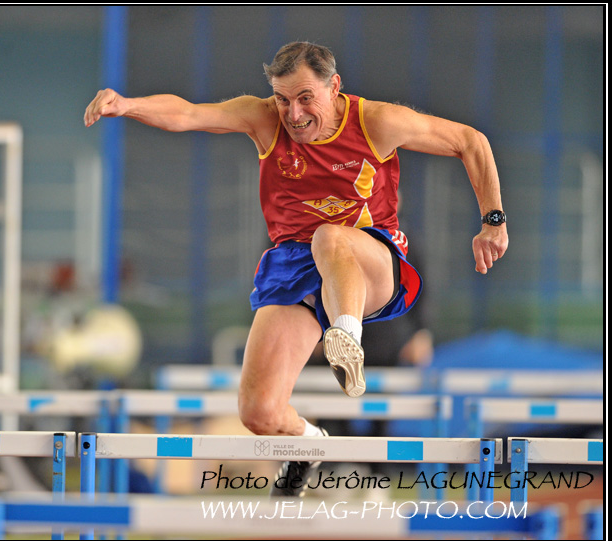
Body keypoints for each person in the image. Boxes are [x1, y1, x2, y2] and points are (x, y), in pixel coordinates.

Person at [84, 41, 508, 497]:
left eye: (306, 98)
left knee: (331, 237)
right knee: (259, 412)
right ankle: (309, 444)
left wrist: (493, 221)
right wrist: (127, 105)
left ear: (334, 87)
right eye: (283, 99)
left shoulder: (377, 122)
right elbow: (188, 114)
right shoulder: (264, 118)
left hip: (371, 262)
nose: (294, 114)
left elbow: (471, 142)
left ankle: (346, 336)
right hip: (297, 268)